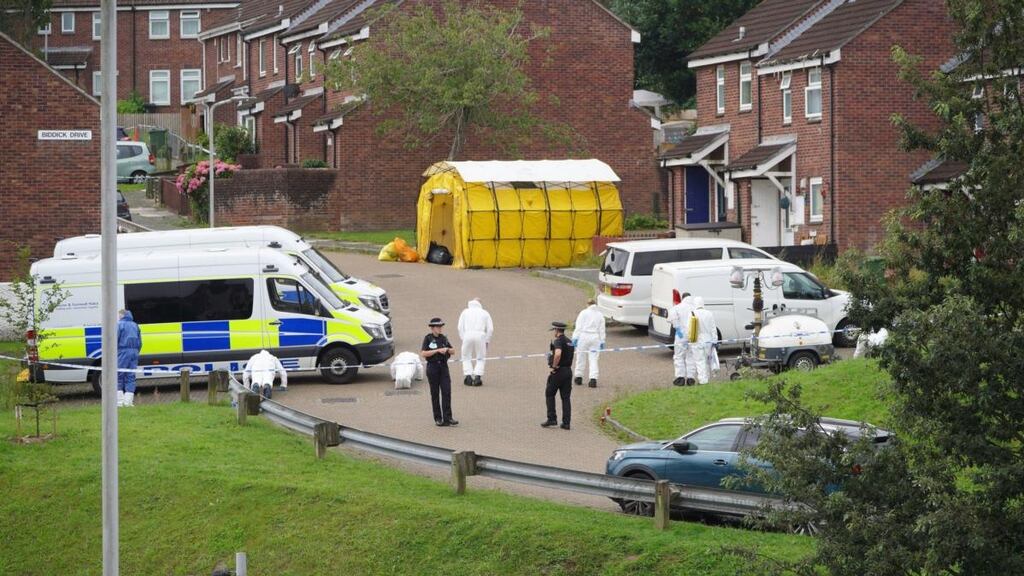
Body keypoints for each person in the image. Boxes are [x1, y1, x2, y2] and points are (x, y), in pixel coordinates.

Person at [421, 318, 458, 426]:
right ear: (432, 328)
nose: (440, 328)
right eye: (438, 327)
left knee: (446, 392)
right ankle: (438, 418)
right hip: (433, 367)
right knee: (435, 393)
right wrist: (437, 351)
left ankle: (448, 417)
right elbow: (423, 353)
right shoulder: (428, 338)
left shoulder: (443, 338)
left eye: (441, 326)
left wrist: (447, 350)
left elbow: (453, 351)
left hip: (443, 367)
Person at [542, 321, 575, 430]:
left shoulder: (558, 341)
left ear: (556, 330)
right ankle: (566, 423)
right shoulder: (570, 342)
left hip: (559, 371)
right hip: (568, 371)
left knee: (549, 393)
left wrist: (554, 366)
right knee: (566, 398)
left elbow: (558, 354)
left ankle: (552, 418)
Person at [457, 298, 493, 386]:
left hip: (467, 334)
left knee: (466, 356)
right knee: (481, 357)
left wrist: (463, 337)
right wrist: (487, 340)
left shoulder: (465, 312)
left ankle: (468, 377)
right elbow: (490, 329)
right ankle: (477, 377)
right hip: (480, 335)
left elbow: (459, 327)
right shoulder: (485, 312)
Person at [572, 298, 605, 388]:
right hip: (595, 338)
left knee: (580, 357)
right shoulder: (600, 315)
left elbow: (578, 327)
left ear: (587, 304)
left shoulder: (583, 313)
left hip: (583, 336)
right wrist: (602, 340)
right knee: (594, 359)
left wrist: (575, 337)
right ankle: (593, 379)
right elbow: (602, 330)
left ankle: (578, 377)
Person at [687, 297, 719, 384]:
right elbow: (713, 328)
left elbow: (688, 328)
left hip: (697, 340)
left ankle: (703, 381)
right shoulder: (709, 313)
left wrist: (688, 340)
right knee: (707, 361)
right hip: (708, 340)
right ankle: (706, 378)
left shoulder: (692, 313)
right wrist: (715, 341)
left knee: (699, 361)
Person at [666, 292, 693, 386]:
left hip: (680, 336)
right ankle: (691, 379)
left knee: (679, 357)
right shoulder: (695, 307)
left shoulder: (677, 308)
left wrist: (678, 328)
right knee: (691, 356)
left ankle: (680, 378)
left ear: (682, 298)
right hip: (693, 336)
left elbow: (670, 319)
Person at [116, 309, 142, 407]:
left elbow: (115, 339)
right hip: (134, 352)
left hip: (122, 352)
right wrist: (136, 351)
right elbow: (140, 343)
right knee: (131, 376)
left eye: (119, 315)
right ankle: (128, 402)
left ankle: (119, 402)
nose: (118, 317)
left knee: (119, 375)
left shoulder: (120, 325)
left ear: (122, 315)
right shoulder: (135, 325)